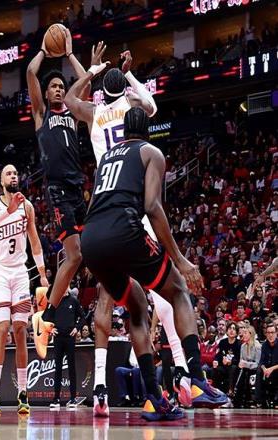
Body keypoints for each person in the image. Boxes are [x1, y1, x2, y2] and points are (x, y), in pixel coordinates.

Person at [80, 107, 228, 420]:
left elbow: (93, 203)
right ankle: (197, 380)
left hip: (91, 240)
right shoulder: (151, 152)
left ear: (123, 132)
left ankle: (154, 398)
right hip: (124, 229)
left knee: (136, 305)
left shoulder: (106, 159)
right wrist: (180, 260)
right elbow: (151, 206)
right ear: (147, 129)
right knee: (178, 290)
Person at [64, 45, 191, 408]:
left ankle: (99, 386)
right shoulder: (133, 105)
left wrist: (90, 70)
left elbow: (71, 99)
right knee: (166, 290)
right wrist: (130, 72)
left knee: (109, 298)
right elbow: (151, 106)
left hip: (103, 200)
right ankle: (183, 371)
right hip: (131, 199)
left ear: (102, 91)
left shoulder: (93, 112)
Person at [26, 28, 90, 359]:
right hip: (57, 189)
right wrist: (43, 50)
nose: (59, 89)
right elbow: (30, 72)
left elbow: (86, 82)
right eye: (54, 86)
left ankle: (47, 314)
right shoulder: (42, 115)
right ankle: (48, 314)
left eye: (62, 87)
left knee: (86, 254)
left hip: (78, 189)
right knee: (74, 255)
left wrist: (70, 55)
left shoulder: (73, 115)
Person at [0, 164, 49, 415]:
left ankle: (23, 391)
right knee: (2, 329)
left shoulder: (27, 206)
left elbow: (35, 241)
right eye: (8, 173)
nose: (13, 176)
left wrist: (42, 274)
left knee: (21, 331)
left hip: (20, 273)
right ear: (1, 181)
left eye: (15, 173)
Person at [49, 289, 86, 410]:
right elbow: (46, 317)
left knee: (71, 367)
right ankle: (56, 399)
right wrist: (50, 329)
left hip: (70, 337)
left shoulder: (73, 301)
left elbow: (83, 317)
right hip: (58, 338)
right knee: (58, 368)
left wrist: (77, 328)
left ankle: (73, 398)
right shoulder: (55, 300)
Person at [234, 325, 261, 408]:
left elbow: (258, 364)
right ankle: (237, 399)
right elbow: (241, 361)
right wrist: (242, 364)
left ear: (251, 334)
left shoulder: (257, 346)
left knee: (247, 373)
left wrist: (246, 364)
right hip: (245, 369)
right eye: (243, 333)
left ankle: (251, 399)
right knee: (236, 370)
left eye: (245, 333)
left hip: (255, 370)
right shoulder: (242, 346)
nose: (243, 335)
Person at [212, 321, 241, 397]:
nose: (231, 330)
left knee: (233, 368)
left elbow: (239, 358)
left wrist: (230, 361)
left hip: (234, 366)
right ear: (227, 331)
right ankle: (216, 391)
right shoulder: (222, 342)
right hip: (224, 365)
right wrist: (216, 361)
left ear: (236, 333)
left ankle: (231, 390)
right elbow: (218, 355)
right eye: (230, 328)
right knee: (216, 368)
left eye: (234, 329)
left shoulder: (239, 344)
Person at [256, 323, 278, 408]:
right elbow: (261, 361)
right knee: (259, 371)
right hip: (267, 369)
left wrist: (271, 369)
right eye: (268, 333)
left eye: (272, 332)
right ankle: (260, 400)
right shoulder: (264, 345)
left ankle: (277, 401)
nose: (270, 335)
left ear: (276, 333)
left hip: (276, 368)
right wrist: (264, 369)